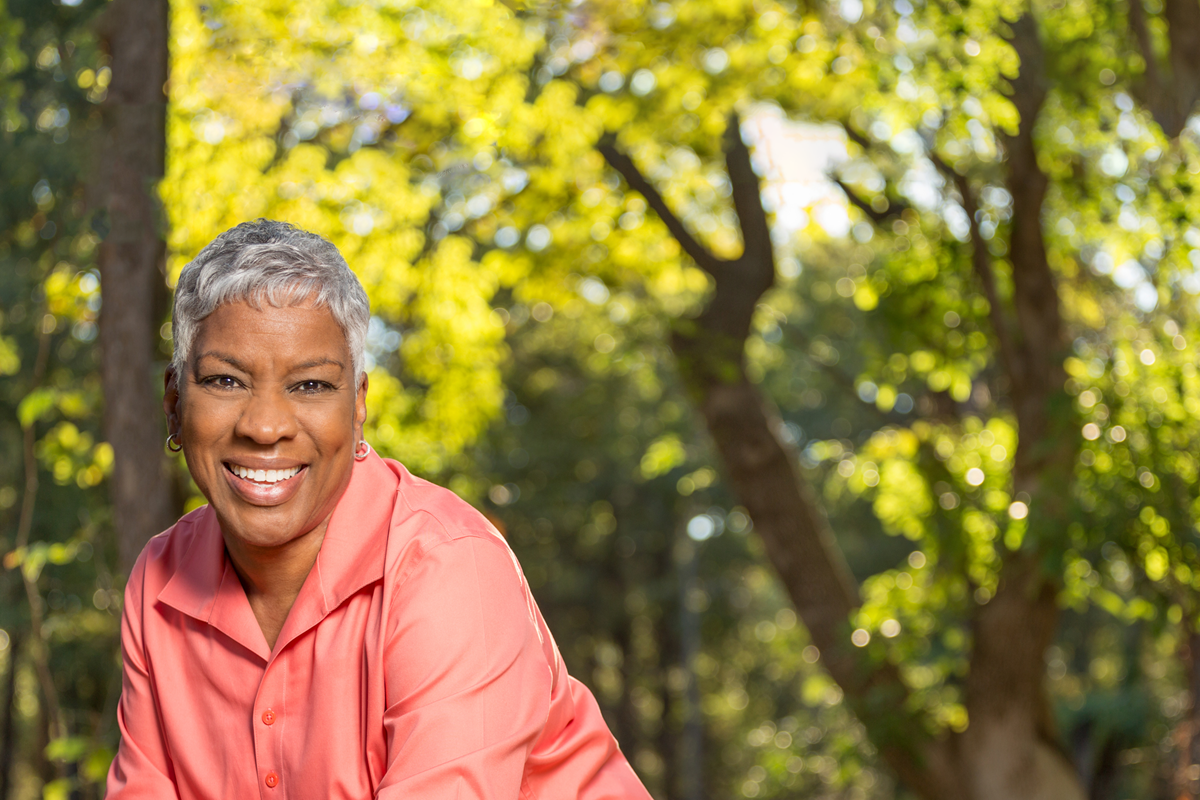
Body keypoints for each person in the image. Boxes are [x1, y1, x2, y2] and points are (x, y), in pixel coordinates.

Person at [105, 219, 653, 799]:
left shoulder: (450, 568)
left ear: (358, 405)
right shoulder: (158, 581)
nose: (265, 427)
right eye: (225, 381)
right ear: (174, 403)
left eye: (311, 386)